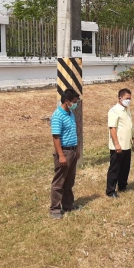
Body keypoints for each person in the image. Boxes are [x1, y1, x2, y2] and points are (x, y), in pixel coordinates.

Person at [50, 88, 81, 219]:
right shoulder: (58, 115)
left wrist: (77, 150)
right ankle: (55, 209)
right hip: (64, 152)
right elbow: (56, 137)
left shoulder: (70, 114)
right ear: (67, 101)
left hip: (72, 151)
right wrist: (61, 155)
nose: (75, 104)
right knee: (59, 182)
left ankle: (68, 205)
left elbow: (73, 133)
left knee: (69, 181)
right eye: (74, 102)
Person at [106, 88, 134, 198]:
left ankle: (123, 186)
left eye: (130, 98)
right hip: (118, 145)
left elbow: (128, 127)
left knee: (125, 167)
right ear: (120, 98)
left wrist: (133, 139)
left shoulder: (127, 110)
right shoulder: (114, 111)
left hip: (127, 144)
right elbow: (112, 128)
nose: (129, 100)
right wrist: (116, 144)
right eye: (127, 98)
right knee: (115, 168)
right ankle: (110, 191)